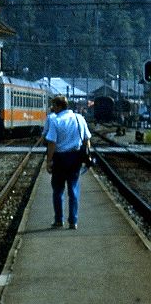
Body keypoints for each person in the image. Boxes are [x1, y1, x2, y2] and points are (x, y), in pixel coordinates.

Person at [44, 95, 91, 229]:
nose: (52, 108)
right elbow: (87, 139)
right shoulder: (79, 118)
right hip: (75, 158)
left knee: (58, 190)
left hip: (60, 158)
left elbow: (51, 143)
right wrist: (87, 156)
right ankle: (73, 221)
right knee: (73, 189)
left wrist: (49, 161)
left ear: (59, 106)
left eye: (53, 106)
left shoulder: (55, 121)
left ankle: (59, 220)